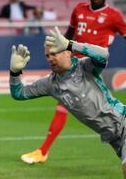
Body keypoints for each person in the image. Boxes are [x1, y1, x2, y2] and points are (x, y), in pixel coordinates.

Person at [20, 0, 126, 164]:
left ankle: (43, 151)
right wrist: (59, 50)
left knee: (70, 102)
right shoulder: (79, 10)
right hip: (72, 62)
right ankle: (43, 151)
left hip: (93, 64)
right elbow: (67, 36)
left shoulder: (114, 15)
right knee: (65, 102)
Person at [9, 27, 126, 178]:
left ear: (67, 53)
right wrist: (14, 73)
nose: (50, 58)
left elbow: (104, 55)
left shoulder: (84, 67)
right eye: (47, 55)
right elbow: (19, 94)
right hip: (113, 139)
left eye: (55, 53)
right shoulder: (50, 84)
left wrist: (71, 44)